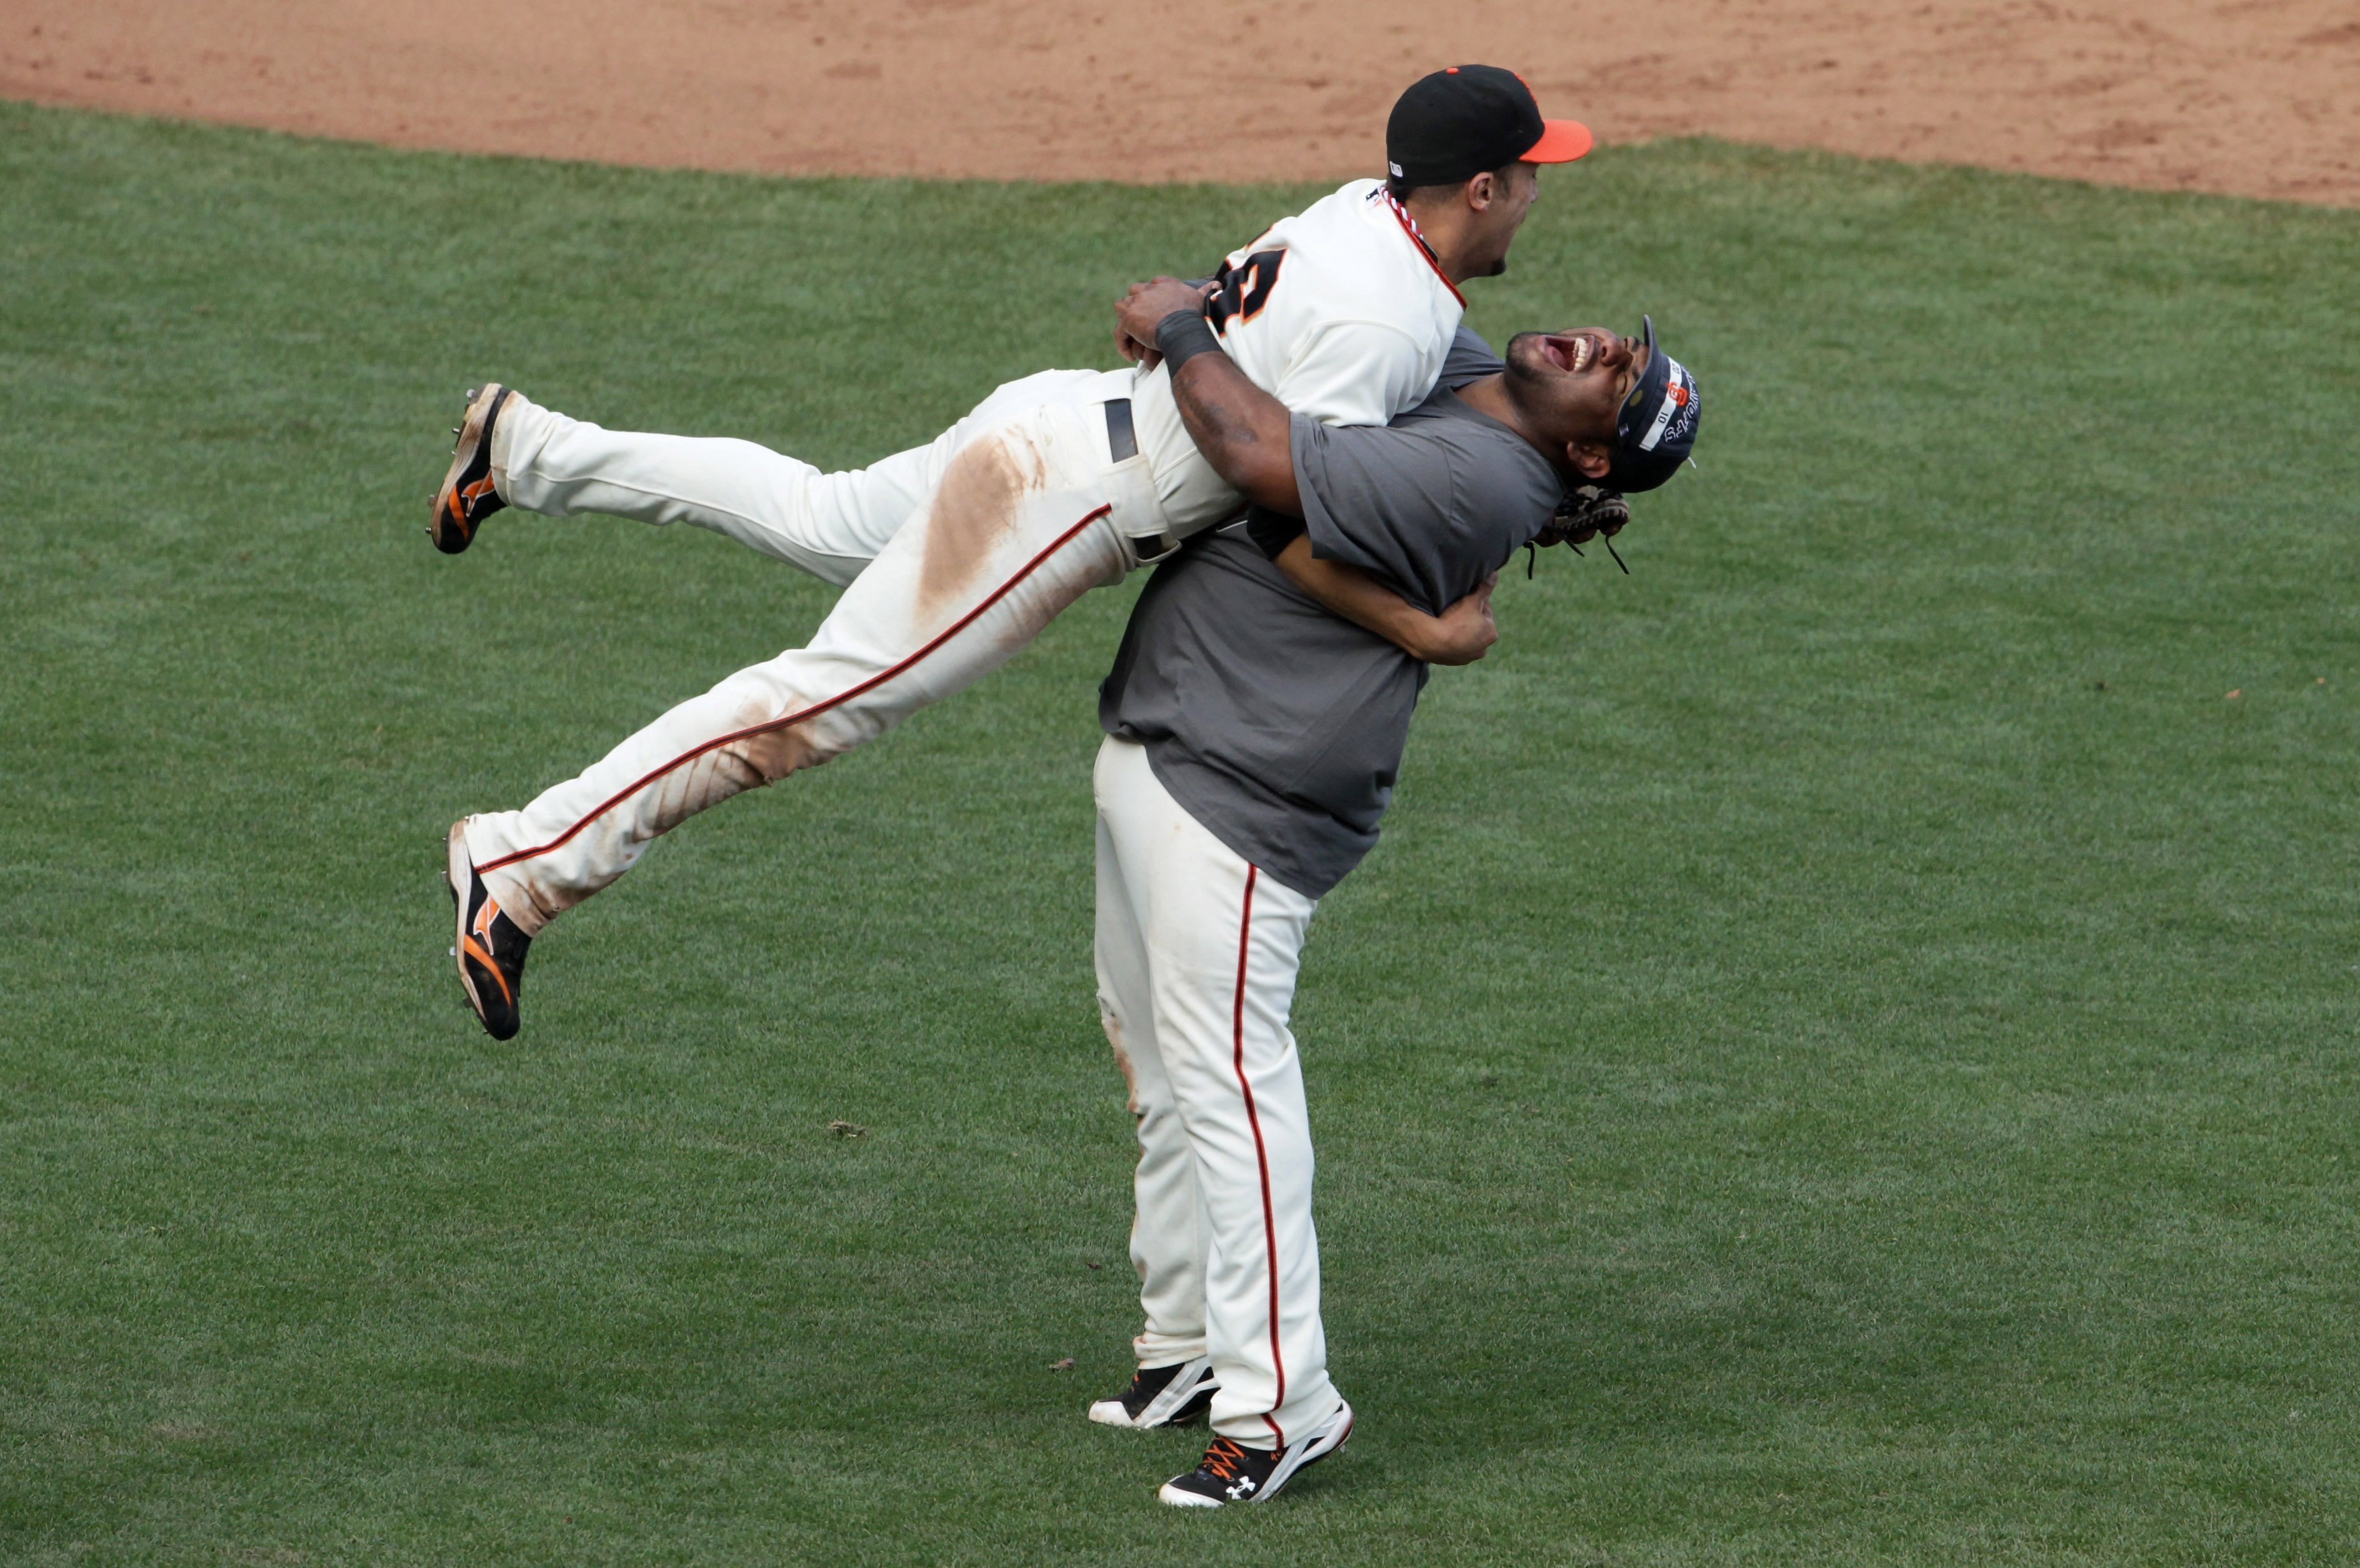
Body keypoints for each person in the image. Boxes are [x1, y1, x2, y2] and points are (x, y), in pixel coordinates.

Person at [432, 66, 1594, 1039]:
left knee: (821, 515)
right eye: (1533, 173)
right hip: (1057, 502)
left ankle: (525, 449)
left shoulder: (1363, 214)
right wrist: (1424, 625)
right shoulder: (1388, 320)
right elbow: (1288, 513)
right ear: (1482, 186)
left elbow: (1299, 355)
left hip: (1054, 419)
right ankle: (525, 862)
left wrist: (1531, 465)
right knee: (824, 700)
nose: (1539, 192)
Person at [1082, 281, 1701, 1506]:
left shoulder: (1476, 482)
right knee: (1156, 1059)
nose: (1600, 346)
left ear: (1583, 448)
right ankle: (1187, 1347)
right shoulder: (1479, 392)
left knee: (1233, 1097)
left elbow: (1257, 476)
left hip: (1243, 792)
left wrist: (1184, 328)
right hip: (1174, 739)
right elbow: (1396, 298)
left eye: (1615, 378)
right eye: (1625, 345)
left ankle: (1284, 1409)